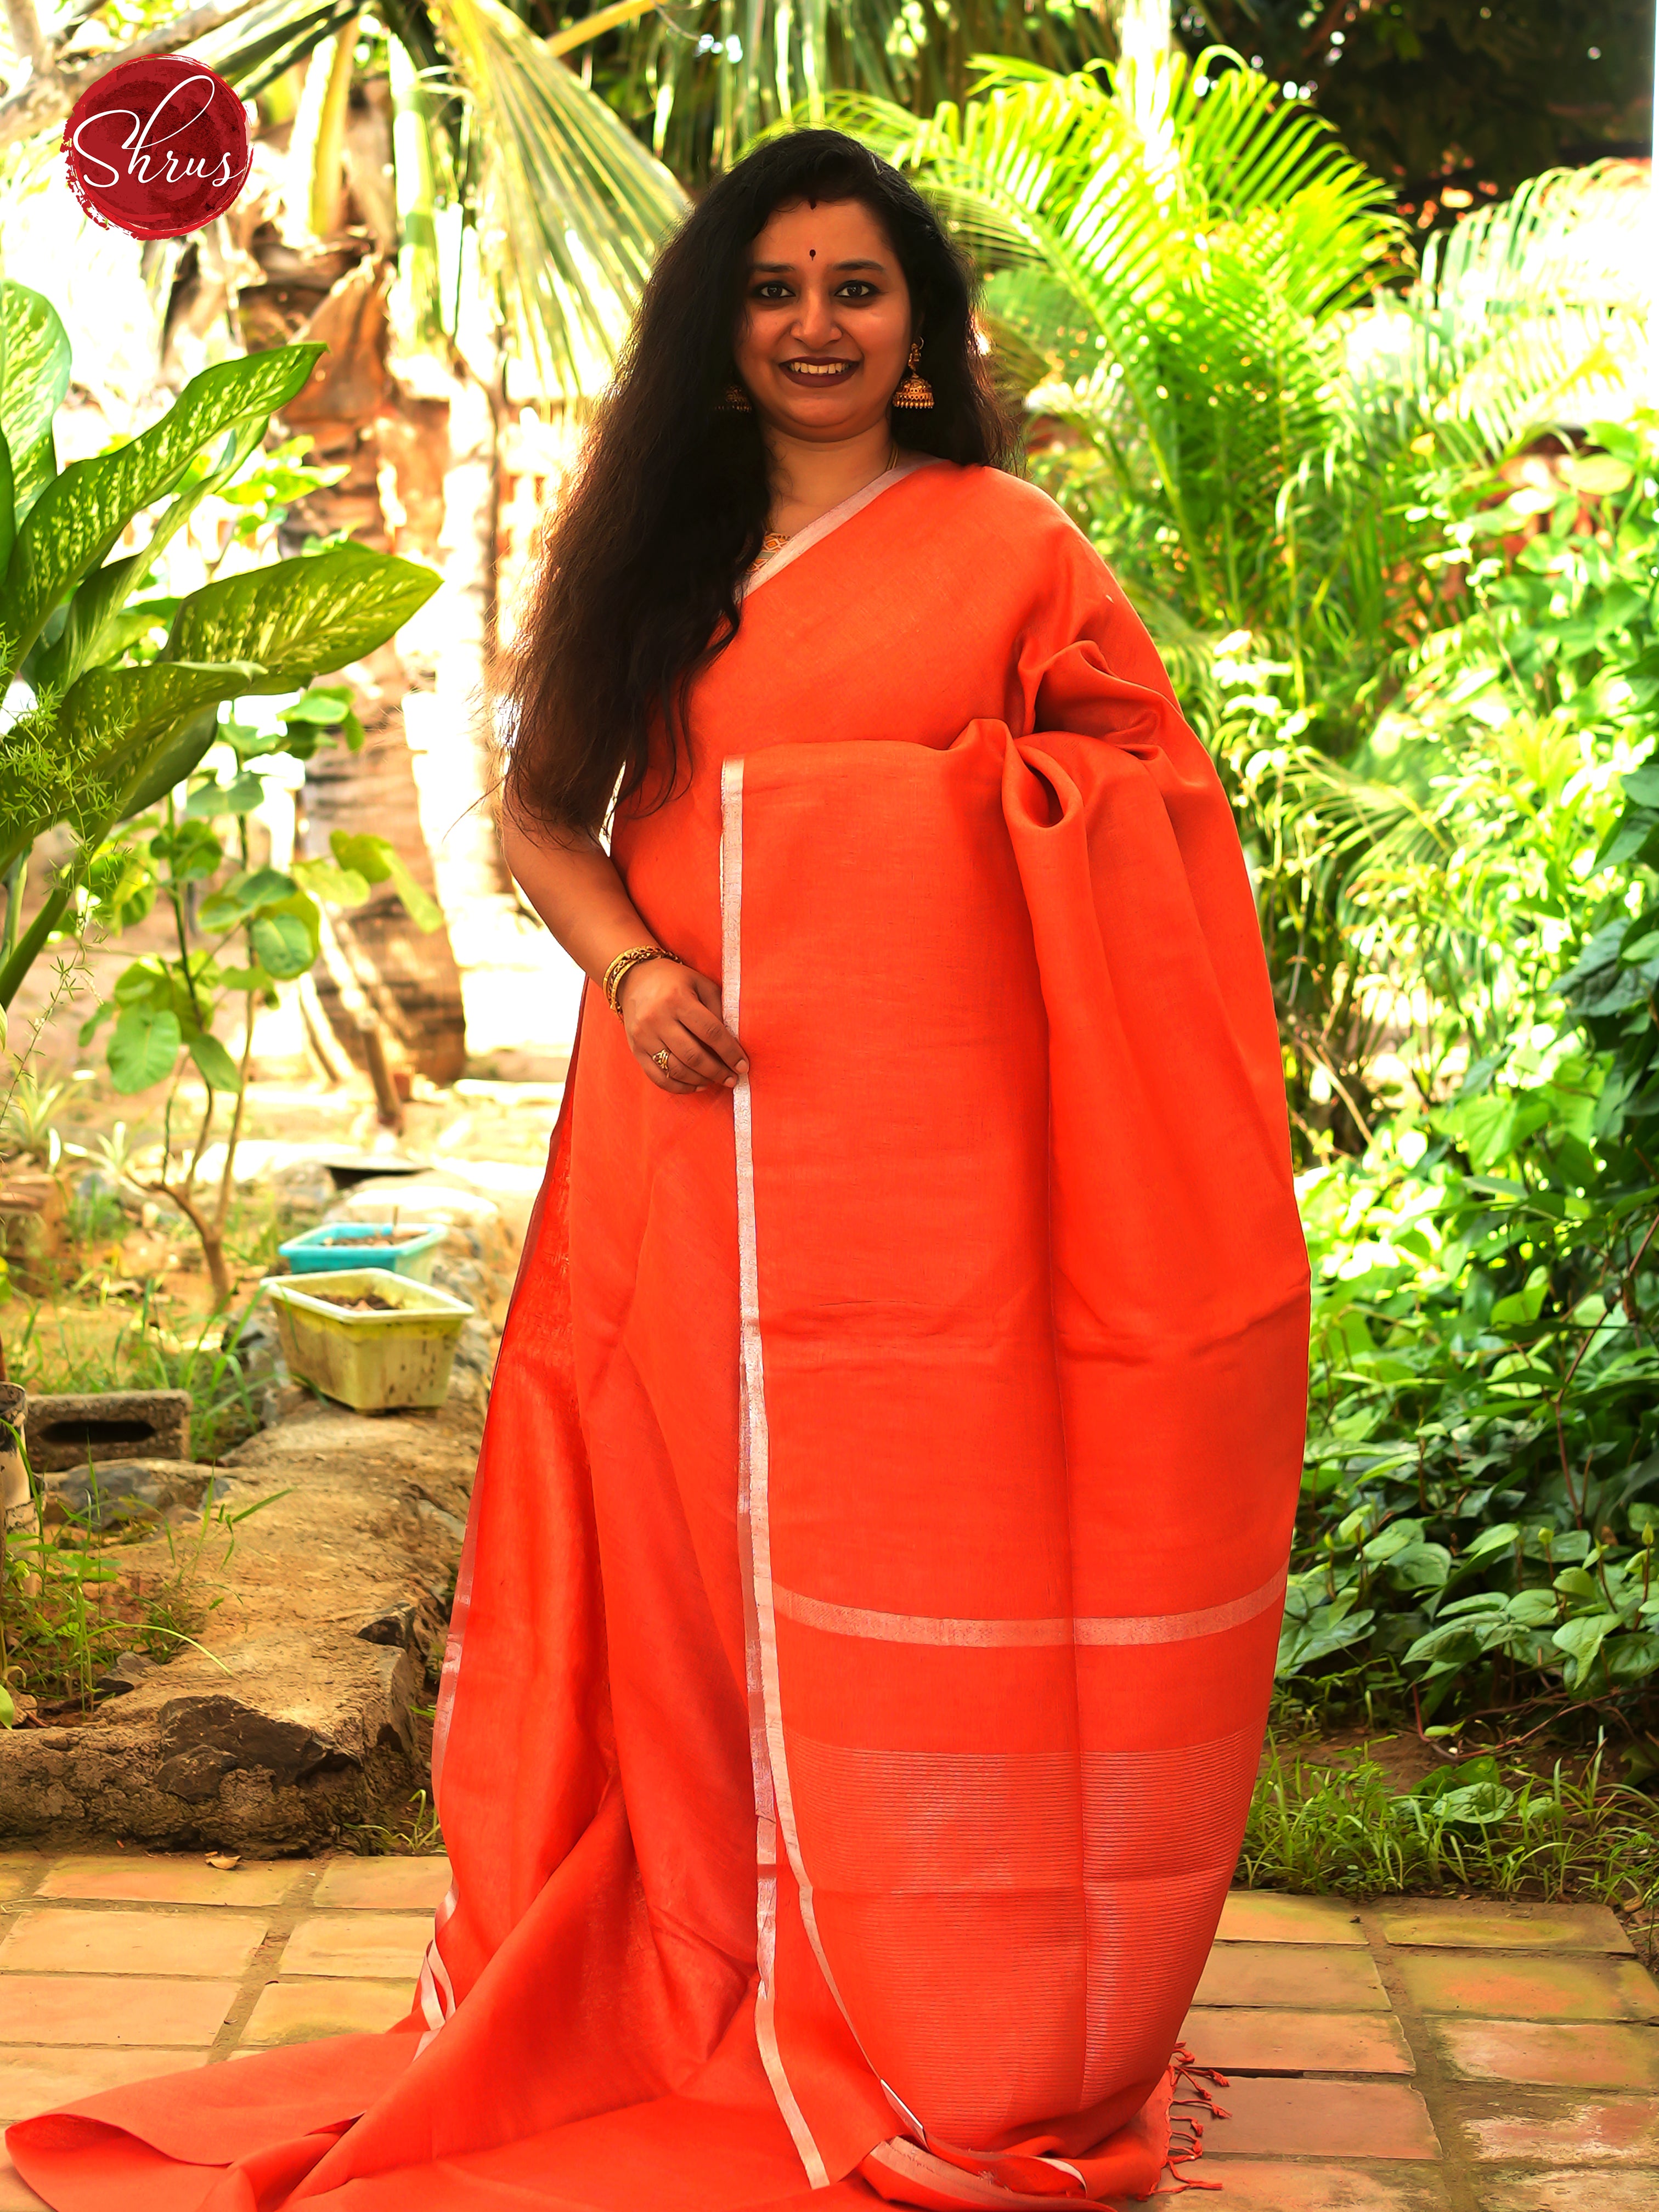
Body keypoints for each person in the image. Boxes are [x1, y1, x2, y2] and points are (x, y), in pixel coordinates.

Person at [7, 128, 1310, 2212]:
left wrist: (941, 818)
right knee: (684, 1556)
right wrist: (629, 974)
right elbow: (546, 815)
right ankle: (714, 1937)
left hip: (936, 1171)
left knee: (931, 1540)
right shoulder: (659, 549)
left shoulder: (1010, 546)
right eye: (774, 289)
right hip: (691, 1130)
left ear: (919, 335)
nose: (813, 324)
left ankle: (941, 1982)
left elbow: (1145, 796)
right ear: (721, 333)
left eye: (856, 290)